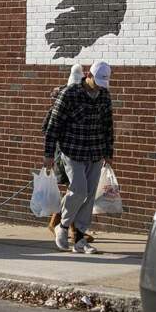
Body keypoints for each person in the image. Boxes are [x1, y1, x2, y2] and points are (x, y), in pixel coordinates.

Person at [42, 60, 114, 254]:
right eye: (96, 81)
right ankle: (63, 226)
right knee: (78, 190)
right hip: (72, 150)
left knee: (90, 195)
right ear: (88, 75)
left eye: (102, 83)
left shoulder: (104, 96)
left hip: (96, 151)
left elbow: (108, 124)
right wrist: (48, 154)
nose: (99, 86)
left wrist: (109, 151)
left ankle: (80, 238)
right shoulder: (70, 94)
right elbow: (53, 125)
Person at [44, 63, 86, 238]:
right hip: (65, 153)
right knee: (76, 191)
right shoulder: (63, 100)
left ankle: (57, 223)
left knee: (74, 191)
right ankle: (74, 230)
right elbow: (51, 129)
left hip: (74, 152)